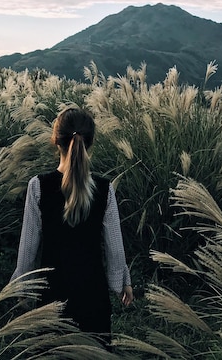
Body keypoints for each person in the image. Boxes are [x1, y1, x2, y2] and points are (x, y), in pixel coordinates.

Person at [10, 107, 134, 341]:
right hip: (93, 298)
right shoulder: (105, 190)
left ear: (56, 140)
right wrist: (122, 283)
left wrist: (23, 289)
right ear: (90, 143)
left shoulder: (38, 186)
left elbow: (28, 247)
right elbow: (115, 248)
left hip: (52, 299)